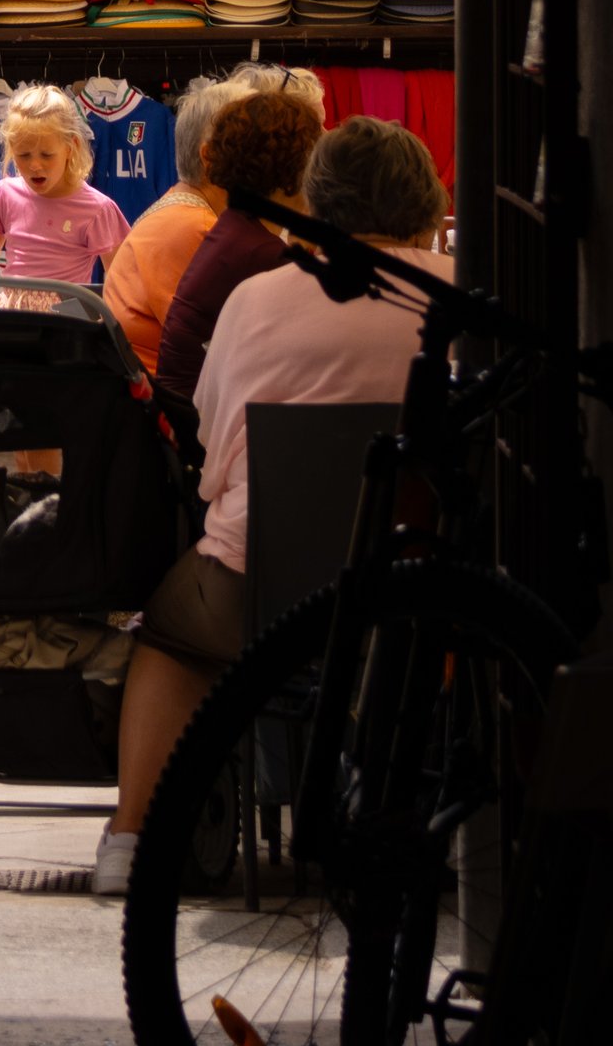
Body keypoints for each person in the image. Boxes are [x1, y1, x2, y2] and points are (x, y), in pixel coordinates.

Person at [94, 116, 450, 897]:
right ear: (425, 199)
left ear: (318, 201)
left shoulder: (256, 299)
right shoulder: (451, 297)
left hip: (259, 589)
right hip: (417, 590)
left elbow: (215, 459)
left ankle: (129, 838)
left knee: (170, 638)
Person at [102, 65, 316, 377]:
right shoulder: (193, 226)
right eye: (253, 142)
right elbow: (231, 352)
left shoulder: (186, 212)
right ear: (212, 156)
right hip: (159, 406)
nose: (272, 153)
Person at [146, 76, 327, 408]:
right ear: (295, 171)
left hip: (188, 409)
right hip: (200, 424)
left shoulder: (238, 228)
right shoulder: (263, 253)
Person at [0, 84, 132, 287]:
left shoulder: (98, 209)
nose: (34, 165)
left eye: (46, 155)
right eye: (23, 155)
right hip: (15, 316)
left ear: (71, 147)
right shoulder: (4, 194)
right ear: (12, 150)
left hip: (66, 316)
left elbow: (123, 278)